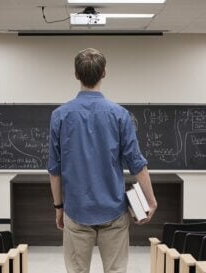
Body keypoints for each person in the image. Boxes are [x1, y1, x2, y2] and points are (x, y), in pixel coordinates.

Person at [47, 48, 157, 273]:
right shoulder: (119, 115)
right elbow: (137, 163)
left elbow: (54, 169)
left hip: (76, 210)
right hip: (114, 211)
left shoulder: (60, 115)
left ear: (76, 75)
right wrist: (151, 200)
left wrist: (59, 207)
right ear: (104, 73)